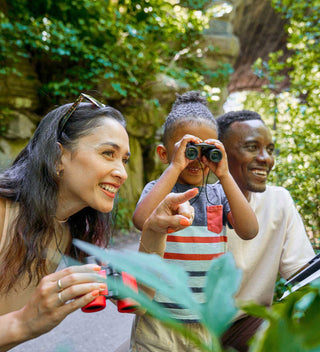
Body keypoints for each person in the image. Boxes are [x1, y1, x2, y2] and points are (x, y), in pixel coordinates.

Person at [0, 93, 196, 351]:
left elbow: (136, 297)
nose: (122, 173)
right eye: (107, 153)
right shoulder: (4, 213)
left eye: (124, 159)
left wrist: (155, 230)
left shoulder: (72, 228)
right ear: (58, 157)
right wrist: (23, 323)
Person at [130, 91, 259, 351]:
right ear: (164, 153)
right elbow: (142, 220)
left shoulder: (219, 194)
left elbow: (249, 230)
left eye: (206, 149)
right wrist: (175, 167)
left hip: (203, 321)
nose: (196, 157)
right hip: (158, 317)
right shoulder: (158, 190)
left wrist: (224, 174)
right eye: (188, 149)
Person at [216, 110, 315, 352]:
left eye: (269, 150)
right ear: (220, 154)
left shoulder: (278, 200)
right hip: (187, 324)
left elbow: (307, 279)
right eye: (252, 147)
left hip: (246, 323)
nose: (265, 159)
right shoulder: (192, 200)